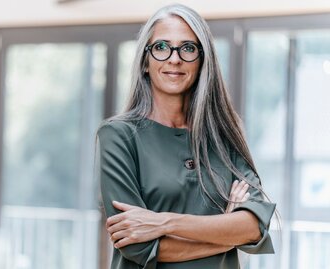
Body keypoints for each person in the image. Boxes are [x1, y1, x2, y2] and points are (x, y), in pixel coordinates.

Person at [95, 4, 276, 269]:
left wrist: (164, 222)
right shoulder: (118, 136)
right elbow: (137, 245)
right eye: (161, 47)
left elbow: (253, 227)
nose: (174, 59)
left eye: (188, 48)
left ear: (203, 61)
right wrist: (227, 232)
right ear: (145, 61)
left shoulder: (224, 133)